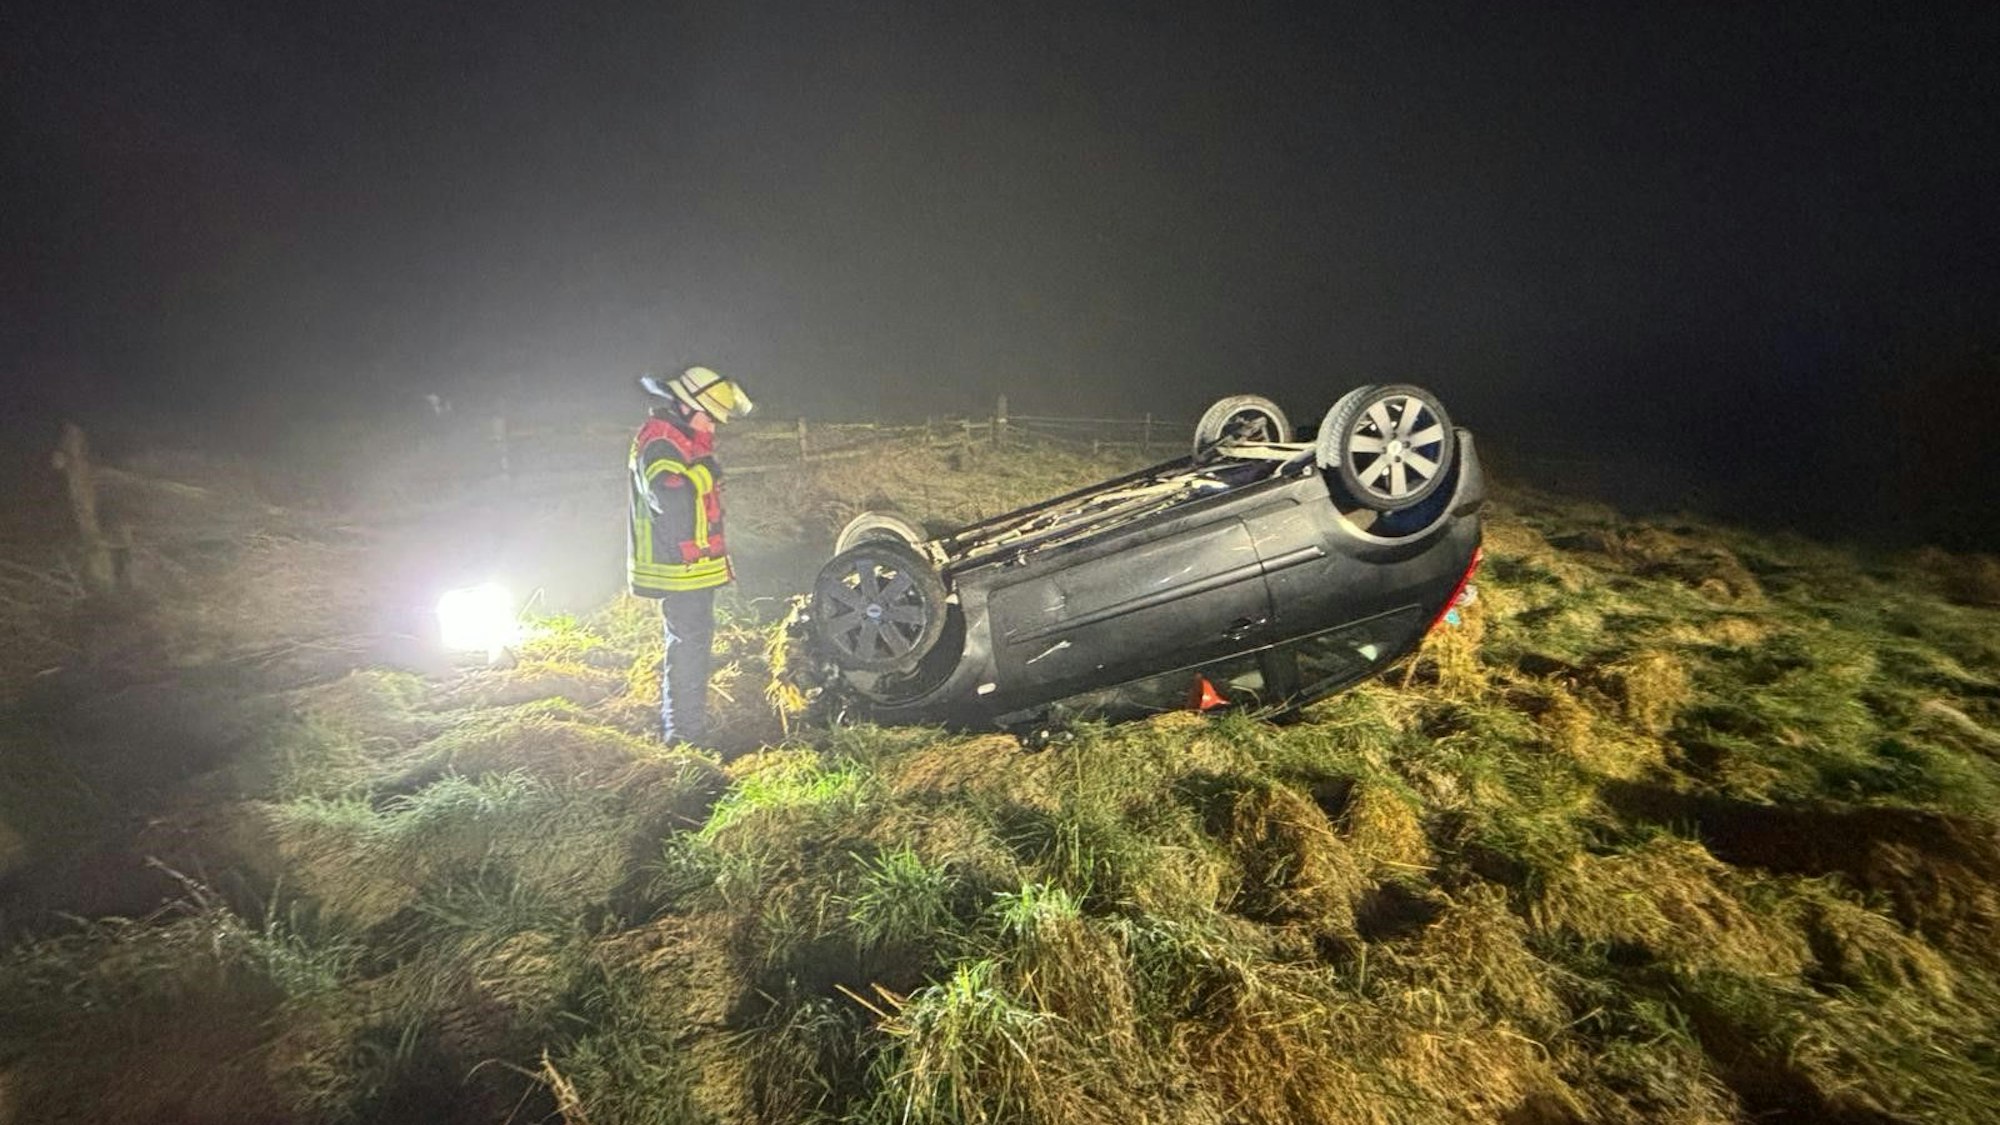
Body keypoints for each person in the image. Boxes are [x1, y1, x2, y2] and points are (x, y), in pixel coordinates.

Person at [628, 366, 755, 744]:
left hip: (689, 569)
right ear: (685, 407)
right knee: (688, 651)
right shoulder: (662, 443)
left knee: (692, 648)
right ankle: (684, 738)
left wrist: (702, 469)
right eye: (710, 418)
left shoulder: (678, 441)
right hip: (677, 570)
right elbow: (671, 494)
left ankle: (686, 729)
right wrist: (704, 473)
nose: (713, 428)